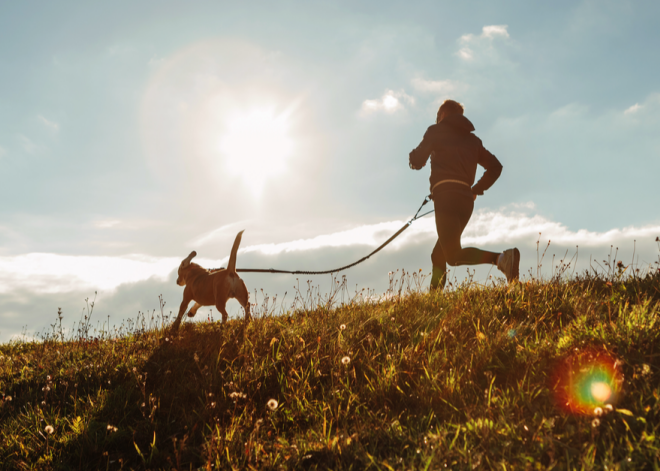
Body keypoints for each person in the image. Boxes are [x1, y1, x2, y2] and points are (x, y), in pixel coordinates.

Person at [409, 99, 520, 290]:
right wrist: (476, 189)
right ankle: (434, 300)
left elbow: (417, 161)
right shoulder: (473, 141)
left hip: (446, 198)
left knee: (452, 256)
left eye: (438, 118)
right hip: (466, 201)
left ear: (443, 115)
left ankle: (501, 259)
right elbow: (496, 167)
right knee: (439, 254)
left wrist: (412, 158)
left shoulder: (435, 131)